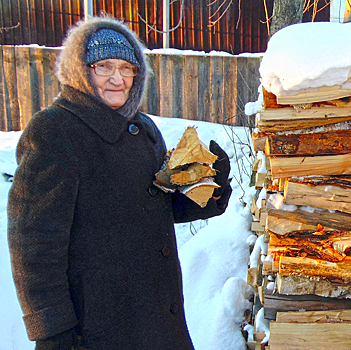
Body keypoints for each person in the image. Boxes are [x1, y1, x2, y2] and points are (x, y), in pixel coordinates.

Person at [8, 16, 232, 350]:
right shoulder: (55, 131)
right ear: (81, 70)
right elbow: (35, 244)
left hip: (156, 314)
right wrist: (53, 331)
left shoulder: (144, 129)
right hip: (97, 325)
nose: (117, 79)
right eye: (104, 66)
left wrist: (207, 191)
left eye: (127, 68)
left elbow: (155, 204)